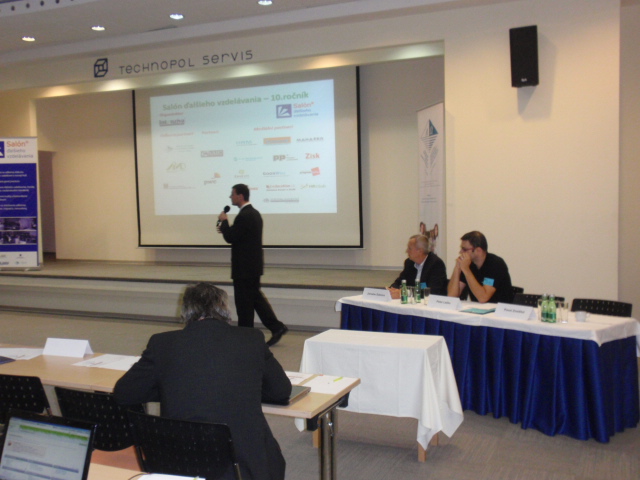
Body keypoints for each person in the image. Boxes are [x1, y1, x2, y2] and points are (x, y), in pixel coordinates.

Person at [113, 282, 291, 480]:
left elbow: (125, 393)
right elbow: (281, 391)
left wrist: (172, 386)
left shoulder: (162, 343)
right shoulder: (251, 339)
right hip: (245, 468)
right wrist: (245, 387)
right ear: (225, 309)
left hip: (179, 464)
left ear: (185, 313)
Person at [217, 184, 288, 346]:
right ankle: (276, 327)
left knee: (244, 304)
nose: (230, 197)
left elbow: (232, 238)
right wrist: (227, 229)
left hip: (244, 268)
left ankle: (246, 336)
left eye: (232, 194)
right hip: (252, 266)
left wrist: (225, 222)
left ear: (240, 196)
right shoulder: (253, 214)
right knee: (254, 299)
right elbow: (240, 236)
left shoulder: (244, 215)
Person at [447, 230, 513, 303]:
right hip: (478, 308)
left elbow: (483, 298)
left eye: (464, 249)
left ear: (478, 250)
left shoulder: (495, 264)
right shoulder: (468, 264)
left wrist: (466, 269)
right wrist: (457, 268)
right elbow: (452, 296)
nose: (460, 252)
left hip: (498, 308)